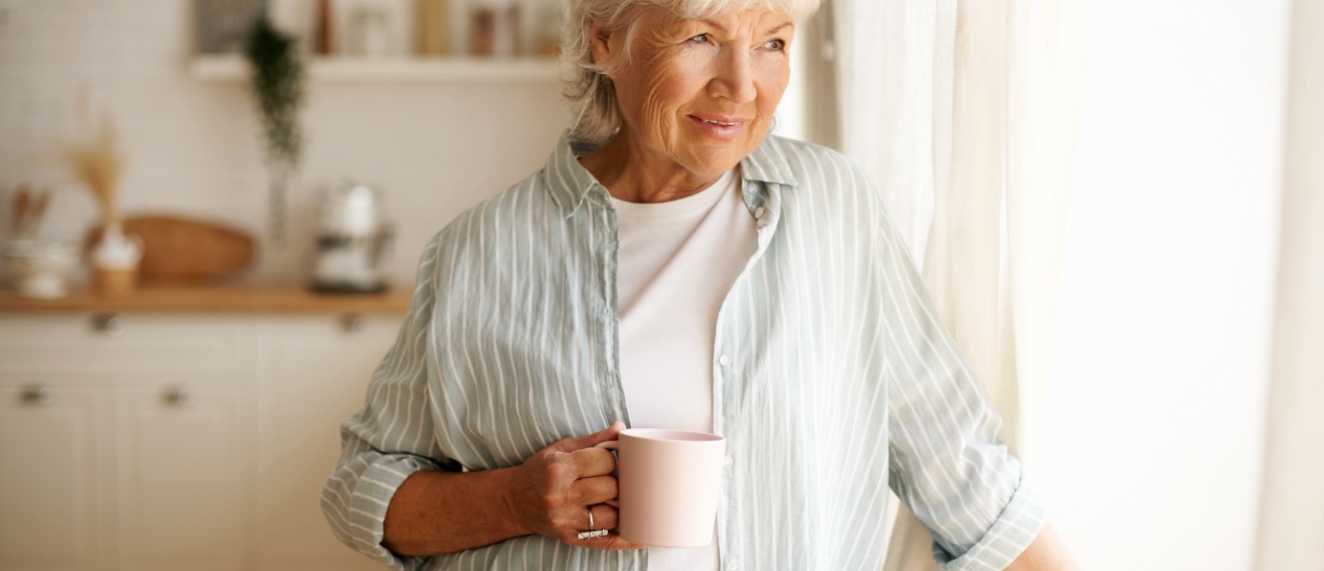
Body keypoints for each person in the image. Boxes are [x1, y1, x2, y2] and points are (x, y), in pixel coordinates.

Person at [322, 0, 1081, 570]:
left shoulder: (834, 209)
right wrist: (515, 498)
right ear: (605, 38)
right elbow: (363, 485)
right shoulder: (478, 250)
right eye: (701, 37)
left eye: (773, 43)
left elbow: (958, 465)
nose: (743, 86)